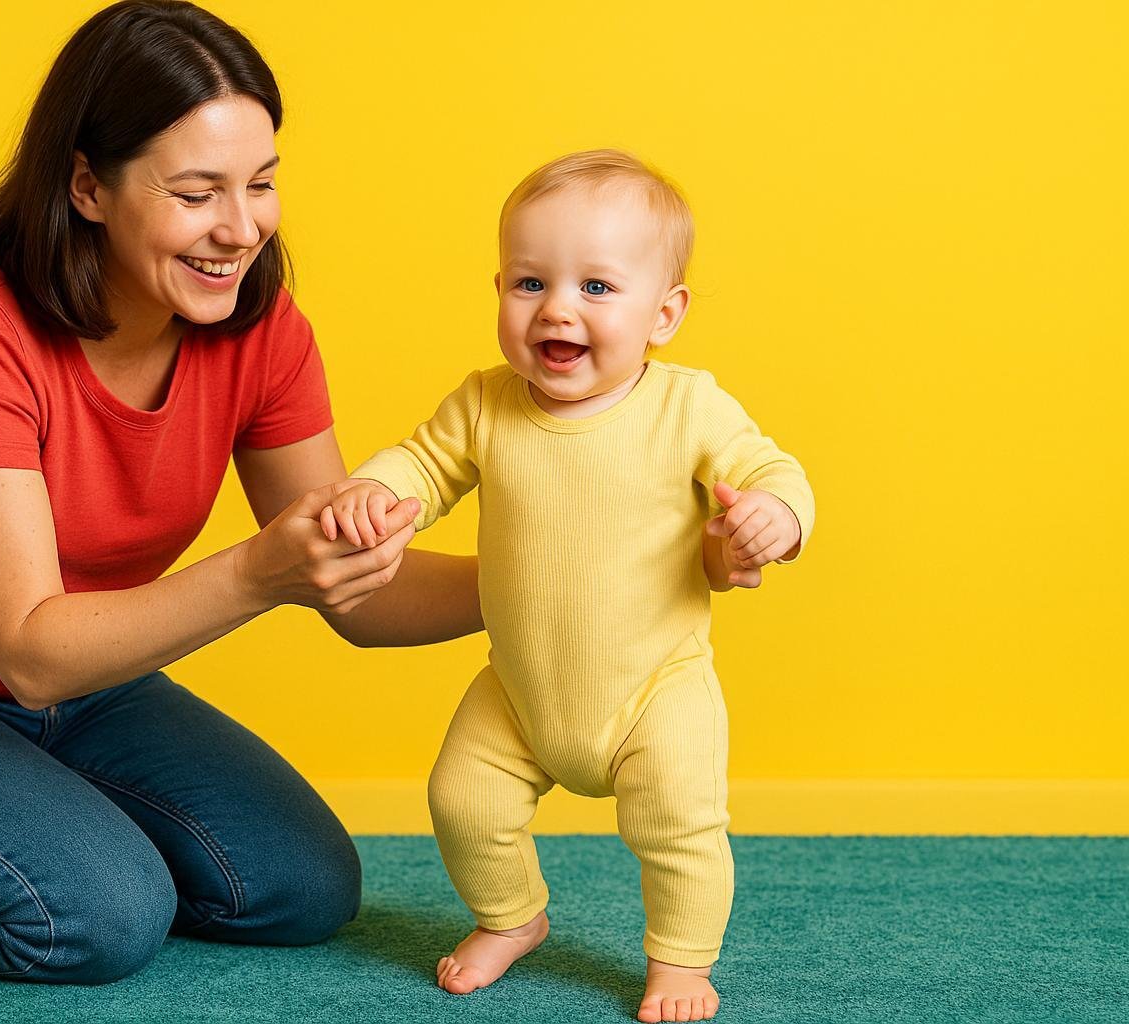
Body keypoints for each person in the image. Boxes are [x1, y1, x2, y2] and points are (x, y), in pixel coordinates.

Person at [0, 0, 481, 983]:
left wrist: (537, 577)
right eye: (197, 192)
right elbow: (31, 653)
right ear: (87, 184)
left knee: (301, 886)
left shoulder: (261, 331)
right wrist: (256, 571)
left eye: (261, 183)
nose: (240, 229)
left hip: (88, 690)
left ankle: (24, 818)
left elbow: (359, 589)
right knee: (97, 917)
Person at [321, 150, 816, 1021]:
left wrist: (777, 513)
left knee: (679, 832)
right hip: (521, 689)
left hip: (657, 687)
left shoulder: (687, 407)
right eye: (528, 282)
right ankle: (511, 919)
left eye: (597, 288)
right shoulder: (485, 403)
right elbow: (424, 463)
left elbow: (769, 466)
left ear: (665, 314)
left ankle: (681, 964)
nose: (556, 308)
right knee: (462, 798)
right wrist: (376, 489)